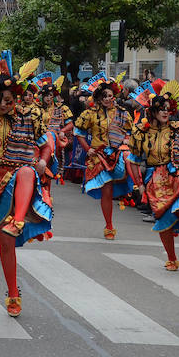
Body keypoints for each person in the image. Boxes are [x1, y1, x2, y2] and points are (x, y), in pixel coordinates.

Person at [0, 68, 53, 317]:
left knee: (25, 172)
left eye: (9, 100)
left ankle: (19, 219)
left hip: (22, 176)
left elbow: (46, 146)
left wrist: (43, 160)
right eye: (0, 100)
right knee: (6, 242)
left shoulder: (28, 118)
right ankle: (13, 293)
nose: (4, 105)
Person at [127, 85, 179, 272]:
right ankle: (171, 258)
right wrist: (139, 185)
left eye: (167, 109)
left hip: (176, 170)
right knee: (164, 219)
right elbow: (133, 160)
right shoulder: (141, 132)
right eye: (161, 109)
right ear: (152, 111)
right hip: (155, 178)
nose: (165, 112)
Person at [75, 78, 134, 239]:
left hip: (117, 154)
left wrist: (126, 139)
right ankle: (109, 226)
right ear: (99, 99)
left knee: (129, 164)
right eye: (104, 96)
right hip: (99, 156)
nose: (108, 99)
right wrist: (88, 149)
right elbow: (78, 132)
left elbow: (131, 131)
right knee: (107, 190)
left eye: (110, 95)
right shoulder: (90, 114)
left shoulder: (122, 113)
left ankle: (138, 188)